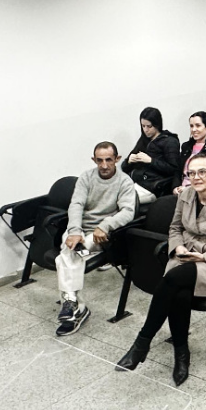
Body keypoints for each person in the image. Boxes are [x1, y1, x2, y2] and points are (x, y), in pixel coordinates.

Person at [115, 153, 206, 386]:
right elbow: (175, 227)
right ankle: (181, 354)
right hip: (186, 255)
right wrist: (177, 247)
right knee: (178, 291)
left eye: (202, 172)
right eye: (192, 173)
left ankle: (143, 342)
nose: (196, 177)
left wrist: (205, 256)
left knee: (173, 279)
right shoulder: (186, 194)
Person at [58, 141, 138, 336]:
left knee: (67, 256)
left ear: (117, 159)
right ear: (94, 160)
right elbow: (76, 204)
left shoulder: (124, 181)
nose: (104, 165)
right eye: (99, 160)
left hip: (100, 235)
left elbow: (128, 212)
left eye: (108, 160)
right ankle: (77, 306)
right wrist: (75, 230)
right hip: (79, 231)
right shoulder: (86, 177)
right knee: (68, 254)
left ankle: (72, 304)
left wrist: (105, 225)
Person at [125, 107, 180, 204]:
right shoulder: (144, 140)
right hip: (136, 182)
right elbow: (124, 167)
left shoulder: (169, 141)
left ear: (157, 125)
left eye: (149, 126)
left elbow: (174, 169)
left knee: (125, 200)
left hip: (153, 186)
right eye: (143, 126)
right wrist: (128, 161)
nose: (145, 130)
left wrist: (151, 161)